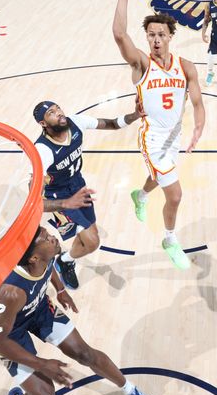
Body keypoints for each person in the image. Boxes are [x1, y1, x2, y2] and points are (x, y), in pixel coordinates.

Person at [0, 225, 159, 395]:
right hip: (9, 332)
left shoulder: (42, 254)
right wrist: (42, 364)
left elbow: (47, 265)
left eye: (49, 234)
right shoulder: (11, 292)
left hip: (38, 307)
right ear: (34, 258)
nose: (53, 238)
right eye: (47, 239)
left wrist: (60, 289)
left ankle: (130, 391)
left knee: (85, 354)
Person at [112, 0, 206, 270]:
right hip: (152, 139)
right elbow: (119, 35)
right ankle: (169, 239)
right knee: (175, 195)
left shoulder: (186, 66)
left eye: (161, 34)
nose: (155, 39)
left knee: (160, 177)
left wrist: (200, 126)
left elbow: (198, 102)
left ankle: (139, 195)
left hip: (174, 136)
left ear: (170, 36)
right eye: (151, 34)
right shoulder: (141, 63)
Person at [33, 100, 144, 289]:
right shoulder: (43, 151)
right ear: (43, 123)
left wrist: (134, 115)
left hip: (79, 186)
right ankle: (65, 261)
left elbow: (111, 123)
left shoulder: (76, 122)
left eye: (58, 107)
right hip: (59, 197)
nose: (59, 112)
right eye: (51, 112)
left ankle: (65, 261)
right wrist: (66, 203)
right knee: (93, 242)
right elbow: (35, 202)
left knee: (88, 237)